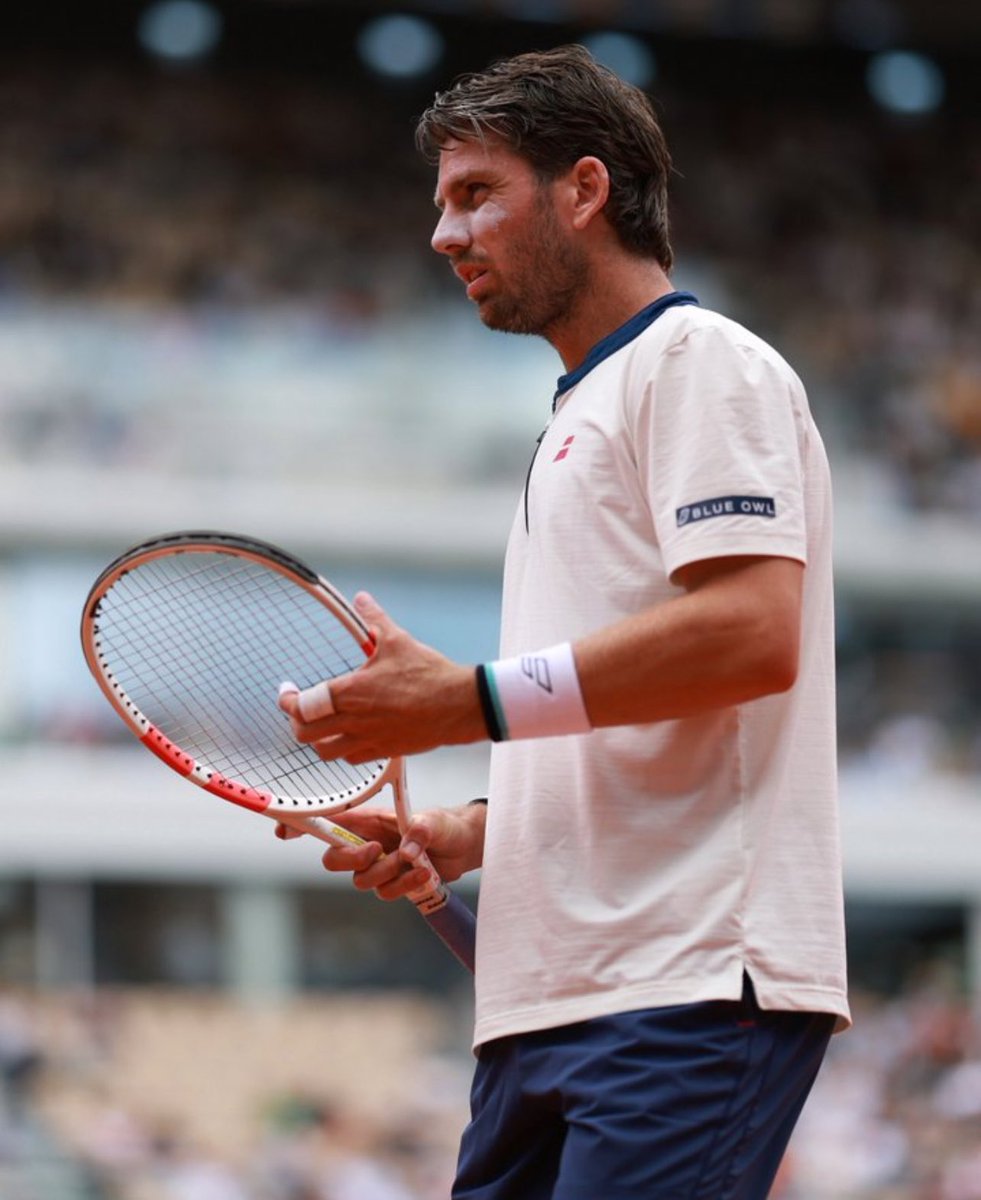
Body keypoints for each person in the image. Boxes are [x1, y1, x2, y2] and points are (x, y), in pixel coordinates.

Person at [279, 44, 850, 1200]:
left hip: (682, 981)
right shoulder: (579, 413)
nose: (445, 236)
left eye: (476, 194)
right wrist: (482, 828)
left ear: (585, 191)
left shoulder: (701, 364)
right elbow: (637, 701)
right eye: (443, 204)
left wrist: (467, 699)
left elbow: (749, 633)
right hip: (554, 995)